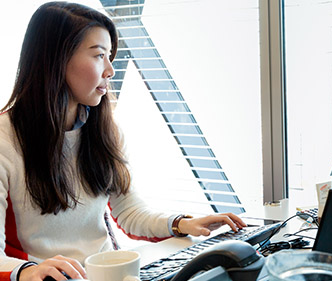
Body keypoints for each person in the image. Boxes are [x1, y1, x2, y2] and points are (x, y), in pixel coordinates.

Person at [0, 2, 247, 281]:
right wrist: (27, 271)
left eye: (110, 56)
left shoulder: (105, 131)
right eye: (98, 56)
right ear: (56, 59)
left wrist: (182, 224)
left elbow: (129, 213)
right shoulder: (4, 138)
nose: (110, 70)